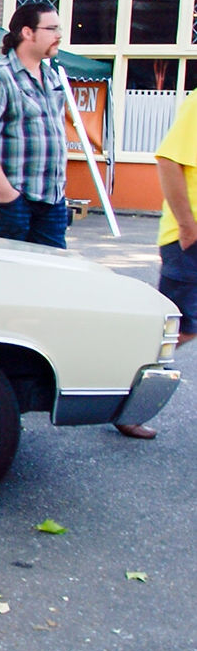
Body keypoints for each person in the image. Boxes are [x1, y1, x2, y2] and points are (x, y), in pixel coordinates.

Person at [0, 2, 69, 249]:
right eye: (51, 29)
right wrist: (5, 193)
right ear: (27, 32)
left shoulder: (52, 77)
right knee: (9, 281)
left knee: (49, 281)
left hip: (51, 200)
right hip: (11, 202)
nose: (58, 36)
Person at [135, 88, 197, 439]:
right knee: (177, 329)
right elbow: (168, 160)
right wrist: (187, 226)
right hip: (188, 240)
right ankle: (125, 400)